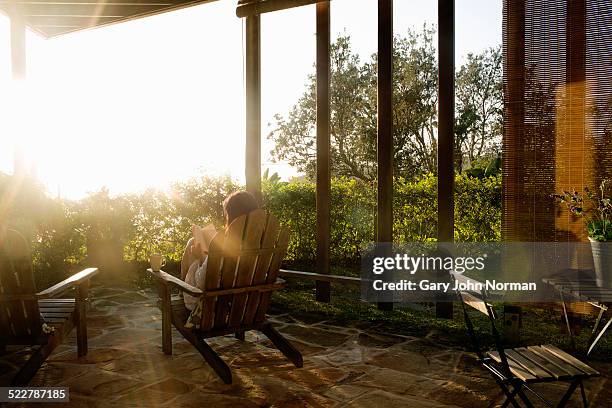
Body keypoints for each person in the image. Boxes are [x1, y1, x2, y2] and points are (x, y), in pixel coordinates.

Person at [180, 190, 259, 310]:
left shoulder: (224, 243)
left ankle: (181, 288)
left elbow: (202, 281)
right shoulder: (262, 241)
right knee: (193, 243)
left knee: (193, 244)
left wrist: (200, 258)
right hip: (246, 305)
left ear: (230, 216)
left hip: (211, 306)